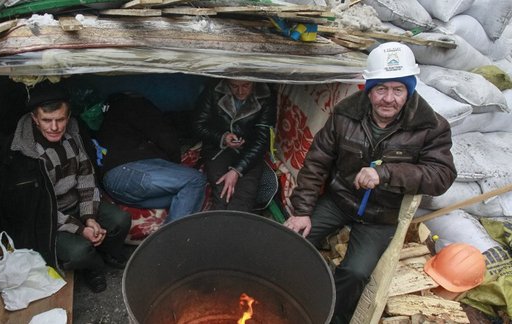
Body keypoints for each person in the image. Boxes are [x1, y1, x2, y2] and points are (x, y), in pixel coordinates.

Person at [283, 42, 457, 323]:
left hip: (381, 215)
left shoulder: (430, 126)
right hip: (340, 200)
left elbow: (442, 175)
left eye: (398, 89)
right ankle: (283, 294)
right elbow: (317, 161)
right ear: (369, 89)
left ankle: (330, 316)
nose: (389, 99)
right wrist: (302, 210)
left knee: (355, 272)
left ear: (409, 90)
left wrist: (387, 173)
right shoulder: (345, 114)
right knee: (292, 239)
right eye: (381, 89)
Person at [0, 81, 132, 294]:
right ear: (35, 119)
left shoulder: (74, 134)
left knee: (120, 220)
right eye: (47, 120)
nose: (54, 127)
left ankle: (104, 251)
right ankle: (93, 266)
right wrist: (80, 229)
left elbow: (86, 176)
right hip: (48, 218)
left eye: (60, 120)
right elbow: (39, 210)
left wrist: (89, 217)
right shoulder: (23, 154)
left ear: (68, 118)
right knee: (79, 252)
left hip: (77, 204)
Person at [95, 93, 207, 224]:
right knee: (195, 180)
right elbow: (165, 135)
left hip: (114, 188)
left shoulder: (109, 120)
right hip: (129, 172)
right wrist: (175, 163)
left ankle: (171, 240)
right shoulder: (133, 103)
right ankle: (172, 241)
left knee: (189, 196)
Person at [193, 79, 277, 212]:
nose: (240, 91)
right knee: (222, 194)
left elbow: (262, 140)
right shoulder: (214, 91)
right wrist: (223, 137)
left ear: (254, 82)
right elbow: (198, 125)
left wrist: (236, 170)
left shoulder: (266, 97)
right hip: (218, 149)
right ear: (227, 83)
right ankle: (216, 230)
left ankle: (234, 230)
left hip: (250, 152)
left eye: (246, 85)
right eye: (234, 86)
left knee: (244, 198)